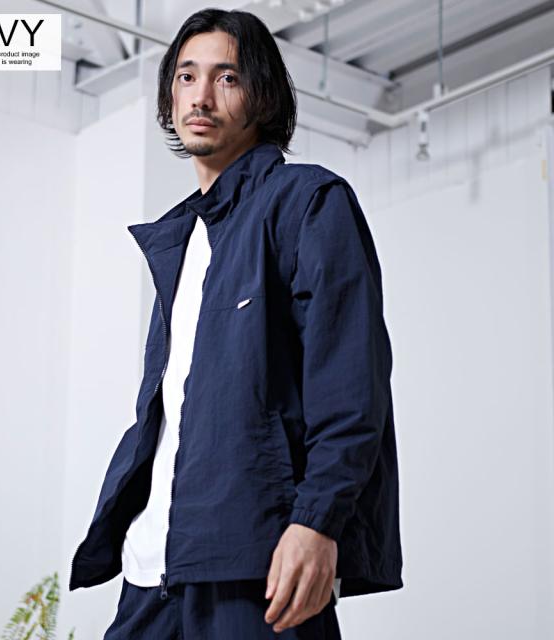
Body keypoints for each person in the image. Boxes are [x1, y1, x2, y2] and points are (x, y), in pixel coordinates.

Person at [69, 8, 403, 639]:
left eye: (227, 78)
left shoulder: (307, 201)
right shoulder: (184, 238)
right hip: (153, 566)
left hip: (255, 562)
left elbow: (351, 383)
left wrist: (317, 521)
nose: (201, 96)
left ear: (262, 95)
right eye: (186, 76)